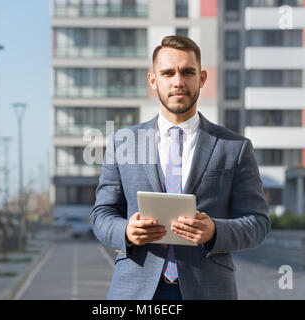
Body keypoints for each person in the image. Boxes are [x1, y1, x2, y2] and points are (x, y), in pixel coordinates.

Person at [91, 35, 270, 300]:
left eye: (187, 72)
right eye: (167, 73)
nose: (178, 81)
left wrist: (215, 231)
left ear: (202, 78)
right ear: (153, 80)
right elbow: (101, 214)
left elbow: (258, 223)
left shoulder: (235, 147)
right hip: (135, 290)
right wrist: (126, 232)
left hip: (208, 288)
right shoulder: (122, 144)